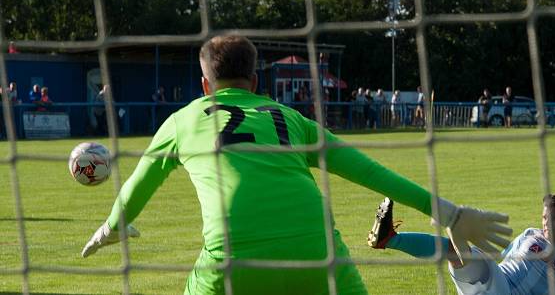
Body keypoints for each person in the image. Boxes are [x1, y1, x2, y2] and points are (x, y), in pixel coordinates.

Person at [81, 36, 512, 295]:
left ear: (204, 85)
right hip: (317, 249)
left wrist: (113, 226)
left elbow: (138, 184)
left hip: (233, 255)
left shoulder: (183, 119)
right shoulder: (290, 119)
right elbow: (370, 172)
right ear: (255, 83)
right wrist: (449, 213)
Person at [368, 194, 555, 295]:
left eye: (553, 218)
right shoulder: (530, 233)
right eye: (544, 217)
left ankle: (455, 224)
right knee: (455, 252)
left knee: (461, 251)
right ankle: (389, 239)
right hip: (492, 285)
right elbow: (501, 257)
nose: (546, 223)